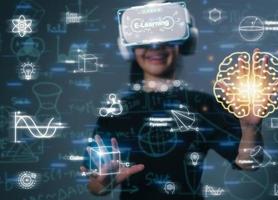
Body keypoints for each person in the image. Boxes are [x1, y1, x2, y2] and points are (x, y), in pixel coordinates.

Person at [80, 2, 265, 200]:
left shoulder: (203, 105)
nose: (156, 47)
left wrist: (250, 130)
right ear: (129, 48)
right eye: (144, 41)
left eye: (166, 39)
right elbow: (94, 186)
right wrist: (103, 183)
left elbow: (249, 163)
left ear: (185, 43)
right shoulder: (116, 111)